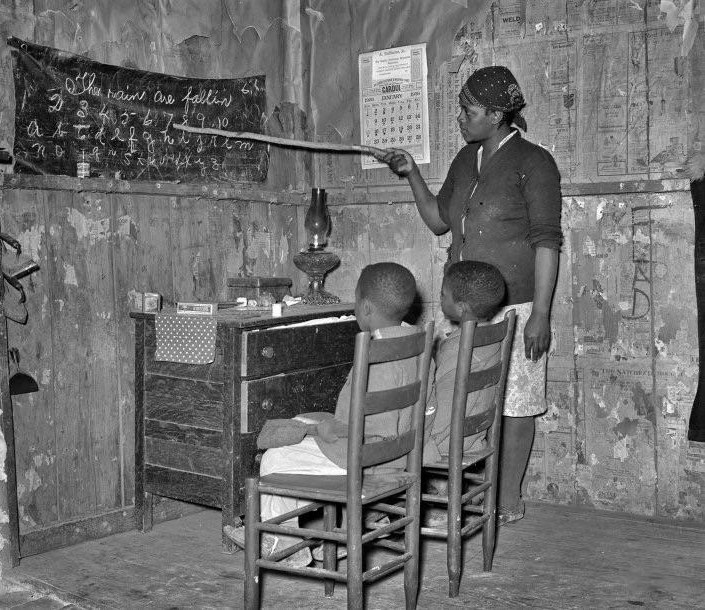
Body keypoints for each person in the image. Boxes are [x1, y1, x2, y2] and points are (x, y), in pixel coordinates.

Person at [376, 66, 563, 525]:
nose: (460, 117)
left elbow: (546, 242)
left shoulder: (535, 163)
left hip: (514, 309)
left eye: (469, 110)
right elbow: (440, 221)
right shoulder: (466, 159)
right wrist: (411, 173)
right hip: (458, 309)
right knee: (452, 400)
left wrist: (540, 313)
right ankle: (453, 493)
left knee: (516, 404)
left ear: (498, 114)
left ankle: (507, 498)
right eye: (462, 108)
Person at [223, 261, 420, 566]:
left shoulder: (372, 353)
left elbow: (357, 428)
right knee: (304, 423)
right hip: (399, 454)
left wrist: (317, 431)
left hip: (365, 459)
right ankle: (313, 533)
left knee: (277, 457)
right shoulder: (417, 342)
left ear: (365, 307)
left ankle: (282, 543)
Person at [423, 260, 506, 466]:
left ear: (460, 307)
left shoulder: (457, 347)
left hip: (445, 443)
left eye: (443, 295)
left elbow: (439, 408)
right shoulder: (492, 339)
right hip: (474, 439)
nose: (440, 298)